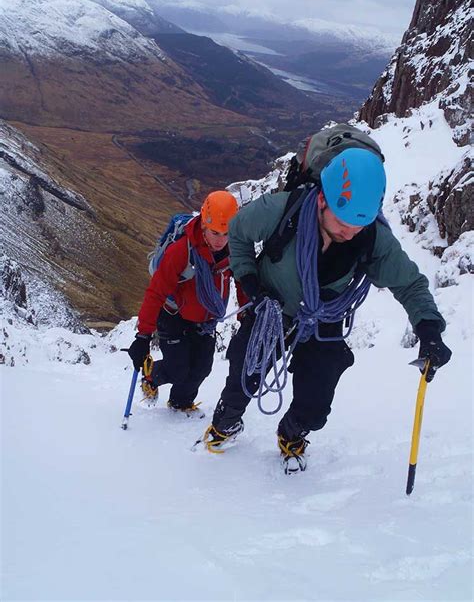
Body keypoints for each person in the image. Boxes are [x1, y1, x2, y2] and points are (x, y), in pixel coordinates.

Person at [202, 139, 452, 471]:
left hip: (323, 318)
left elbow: (408, 282)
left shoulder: (372, 237)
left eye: (358, 224)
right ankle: (225, 423)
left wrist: (429, 326)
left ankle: (292, 433)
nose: (350, 232)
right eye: (342, 222)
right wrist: (250, 281)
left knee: (317, 401)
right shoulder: (282, 210)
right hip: (272, 308)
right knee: (244, 374)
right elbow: (239, 233)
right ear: (321, 199)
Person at [128, 190, 244, 415]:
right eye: (215, 233)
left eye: (226, 233)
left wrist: (245, 315)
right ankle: (151, 377)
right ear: (203, 224)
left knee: (201, 369)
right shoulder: (181, 250)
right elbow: (156, 292)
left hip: (206, 319)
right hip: (174, 316)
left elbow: (242, 279)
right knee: (178, 369)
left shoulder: (235, 249)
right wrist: (143, 336)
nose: (221, 241)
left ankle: (180, 404)